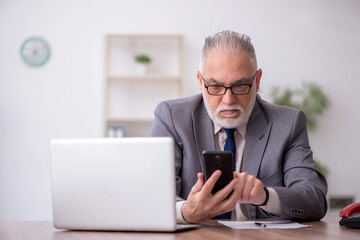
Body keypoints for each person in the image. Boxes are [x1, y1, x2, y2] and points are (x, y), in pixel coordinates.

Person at [150, 30, 328, 223]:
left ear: (257, 80)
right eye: (216, 87)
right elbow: (152, 196)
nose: (228, 100)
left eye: (240, 86)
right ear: (201, 83)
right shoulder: (171, 117)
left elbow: (314, 199)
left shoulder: (289, 123)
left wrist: (265, 196)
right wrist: (185, 211)